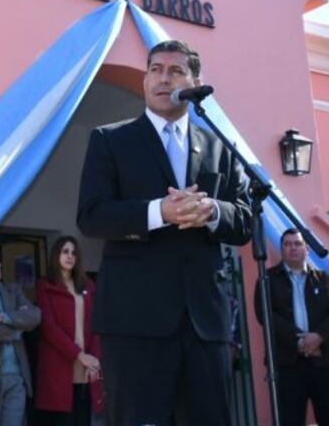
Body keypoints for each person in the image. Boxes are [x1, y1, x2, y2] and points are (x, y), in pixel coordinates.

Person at [77, 39, 253, 426]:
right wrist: (160, 212)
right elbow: (92, 216)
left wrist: (210, 211)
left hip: (204, 323)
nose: (162, 77)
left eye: (175, 71)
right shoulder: (110, 140)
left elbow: (244, 220)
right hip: (134, 322)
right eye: (155, 69)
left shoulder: (221, 147)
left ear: (194, 81)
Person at [254, 228, 329, 426]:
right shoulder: (267, 279)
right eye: (287, 244)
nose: (292, 248)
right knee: (289, 420)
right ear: (281, 250)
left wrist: (319, 337)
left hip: (325, 362)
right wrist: (300, 341)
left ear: (307, 249)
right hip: (288, 364)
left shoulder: (325, 279)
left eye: (297, 244)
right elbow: (266, 314)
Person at [34, 236, 104, 426]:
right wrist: (80, 355)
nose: (70, 256)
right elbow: (50, 329)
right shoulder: (45, 286)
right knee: (63, 420)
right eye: (65, 251)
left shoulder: (89, 286)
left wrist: (94, 361)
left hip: (86, 365)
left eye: (73, 252)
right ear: (56, 255)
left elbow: (97, 325)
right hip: (60, 366)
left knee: (84, 418)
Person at [0, 246, 41, 426]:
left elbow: (35, 316)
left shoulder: (13, 290)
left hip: (17, 376)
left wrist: (6, 317)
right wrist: (18, 328)